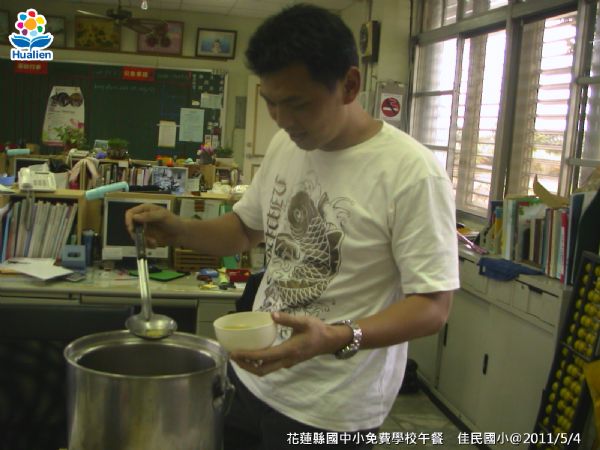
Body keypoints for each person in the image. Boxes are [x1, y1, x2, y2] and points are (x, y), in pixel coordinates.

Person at [125, 4, 459, 449]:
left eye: (298, 103)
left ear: (350, 85)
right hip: (252, 378)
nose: (281, 120)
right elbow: (244, 230)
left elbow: (433, 307)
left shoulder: (412, 173)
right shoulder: (288, 144)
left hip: (331, 408)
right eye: (271, 102)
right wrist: (179, 228)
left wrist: (336, 337)